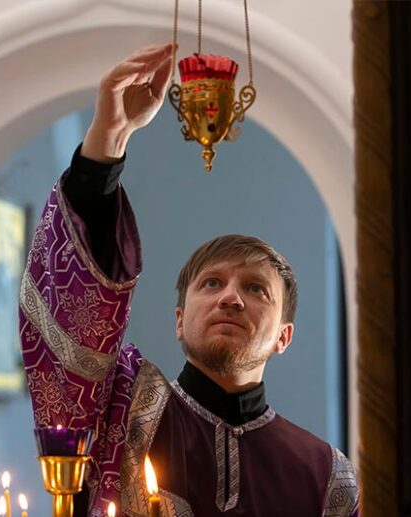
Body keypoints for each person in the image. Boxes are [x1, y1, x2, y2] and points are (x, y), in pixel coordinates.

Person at [19, 44, 359, 517]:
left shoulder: (325, 476)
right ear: (179, 321)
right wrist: (108, 139)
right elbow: (75, 314)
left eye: (256, 288)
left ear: (284, 336)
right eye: (211, 283)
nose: (231, 298)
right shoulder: (121, 407)